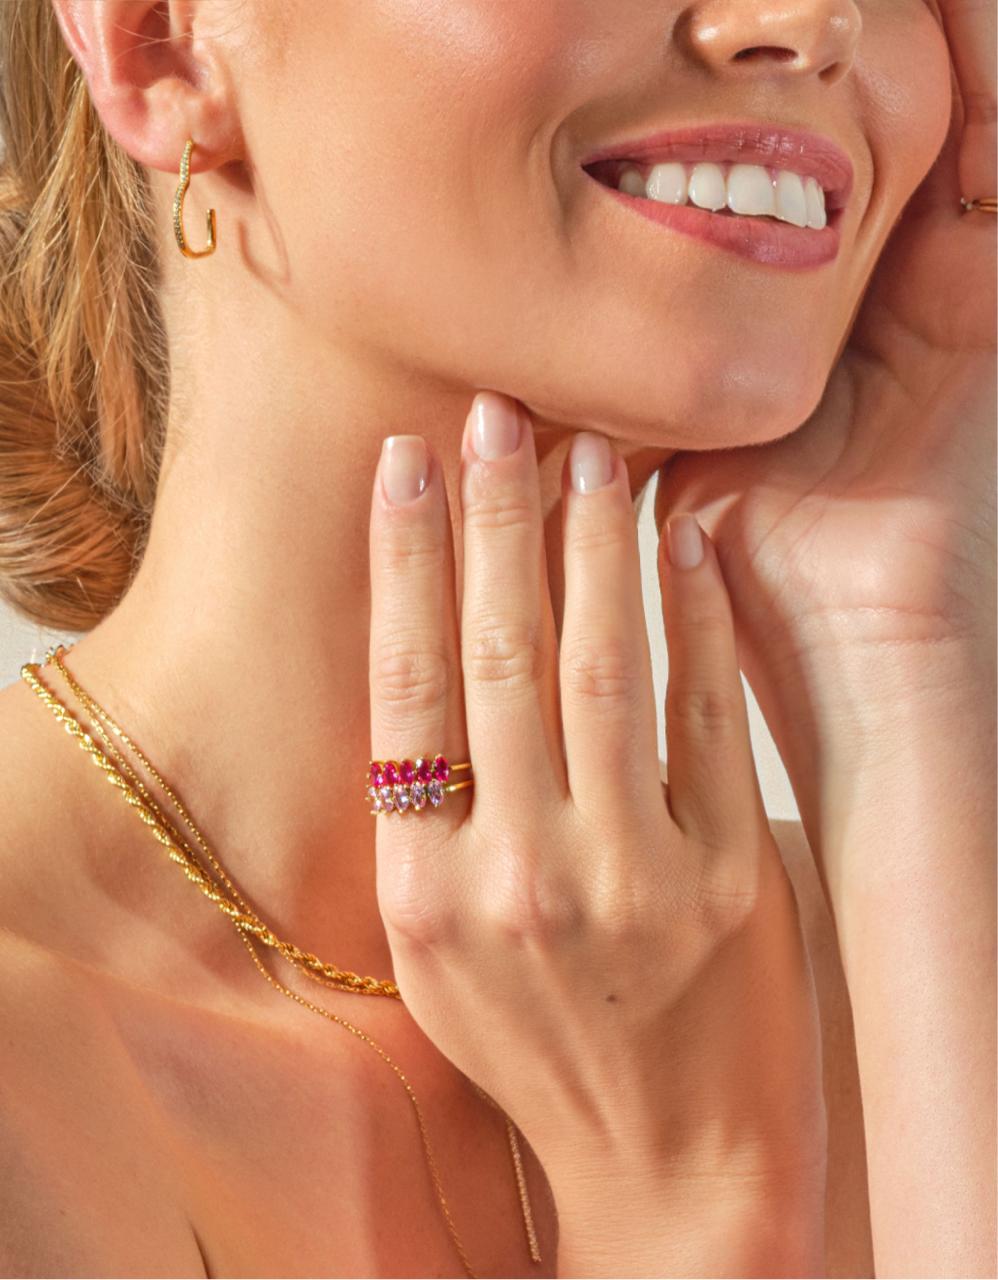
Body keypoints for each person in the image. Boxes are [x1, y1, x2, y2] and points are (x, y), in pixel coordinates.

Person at [0, 0, 993, 1275]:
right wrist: (686, 1211)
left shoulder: (916, 937)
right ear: (163, 43)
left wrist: (898, 656)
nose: (803, 18)